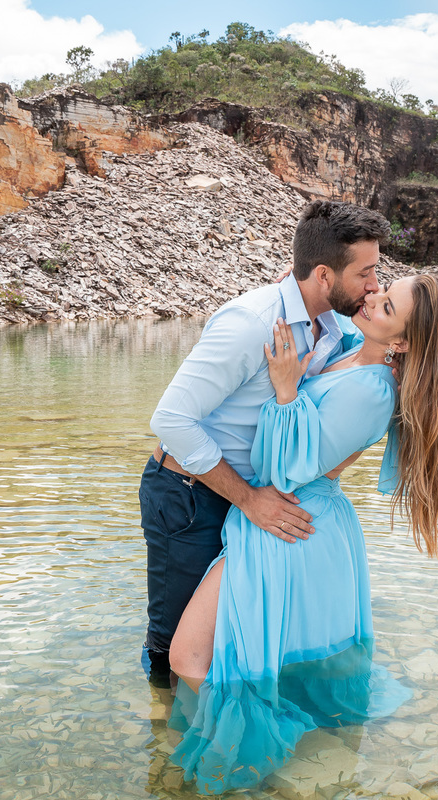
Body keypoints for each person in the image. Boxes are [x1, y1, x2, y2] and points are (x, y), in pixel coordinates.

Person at [167, 274, 438, 794]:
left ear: (401, 343)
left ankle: (286, 743)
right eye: (381, 287)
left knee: (189, 657)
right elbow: (324, 317)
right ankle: (303, 754)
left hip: (289, 520)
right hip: (287, 518)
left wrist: (286, 390)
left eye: (387, 305)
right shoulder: (353, 348)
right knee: (259, 659)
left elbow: (288, 468)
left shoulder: (374, 390)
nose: (372, 298)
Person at [141, 201, 391, 679]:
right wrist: (249, 499)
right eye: (365, 273)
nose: (374, 286)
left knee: (232, 640)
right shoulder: (252, 323)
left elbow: (363, 370)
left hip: (254, 500)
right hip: (191, 494)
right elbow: (171, 419)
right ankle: (167, 745)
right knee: (177, 647)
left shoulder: (336, 329)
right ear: (323, 275)